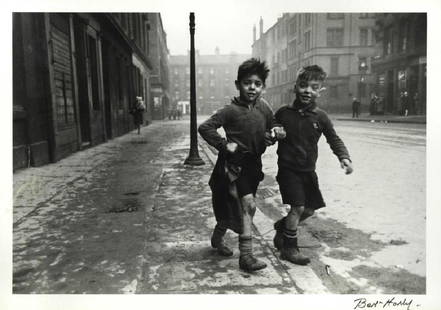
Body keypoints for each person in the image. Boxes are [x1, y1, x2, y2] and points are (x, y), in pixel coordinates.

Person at [198, 58, 285, 273]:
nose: (252, 87)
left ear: (263, 87)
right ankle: (246, 256)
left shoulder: (263, 106)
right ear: (238, 84)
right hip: (233, 166)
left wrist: (274, 133)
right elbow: (205, 128)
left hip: (254, 165)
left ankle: (217, 239)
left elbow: (272, 124)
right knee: (249, 205)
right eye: (247, 83)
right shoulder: (229, 110)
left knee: (233, 211)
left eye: (257, 83)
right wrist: (224, 145)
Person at [272, 65, 353, 265]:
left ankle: (282, 227)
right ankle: (289, 248)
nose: (308, 91)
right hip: (288, 169)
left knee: (309, 210)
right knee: (298, 208)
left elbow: (334, 139)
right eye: (303, 85)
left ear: (320, 91)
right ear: (295, 87)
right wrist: (274, 133)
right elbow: (270, 131)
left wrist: (344, 157)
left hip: (308, 171)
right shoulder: (283, 113)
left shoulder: (320, 117)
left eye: (314, 87)